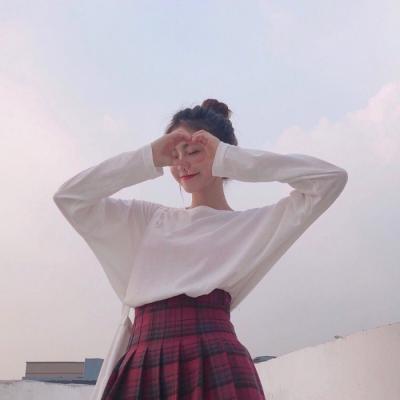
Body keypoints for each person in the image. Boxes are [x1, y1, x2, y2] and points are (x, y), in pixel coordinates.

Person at [53, 99, 348, 399]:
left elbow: (329, 180)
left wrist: (231, 158)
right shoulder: (148, 220)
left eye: (194, 152)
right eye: (174, 154)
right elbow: (70, 197)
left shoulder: (250, 226)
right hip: (143, 365)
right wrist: (149, 157)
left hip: (215, 361)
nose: (182, 163)